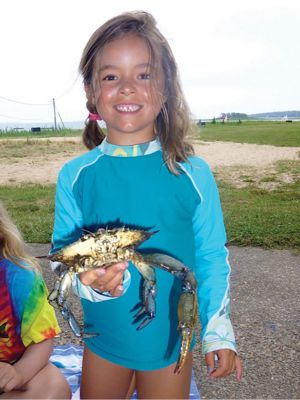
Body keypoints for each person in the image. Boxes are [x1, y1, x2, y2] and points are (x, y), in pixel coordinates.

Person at [51, 11, 243, 399]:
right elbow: (61, 256)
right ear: (91, 91)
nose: (126, 88)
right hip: (103, 338)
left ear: (167, 88)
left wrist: (217, 331)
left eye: (144, 75)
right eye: (110, 77)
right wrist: (96, 285)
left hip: (169, 341)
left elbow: (209, 255)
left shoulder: (193, 173)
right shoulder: (75, 175)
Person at [0, 202, 71, 399]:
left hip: (13, 367)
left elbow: (42, 341)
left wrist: (19, 373)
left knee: (55, 388)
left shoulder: (21, 277)